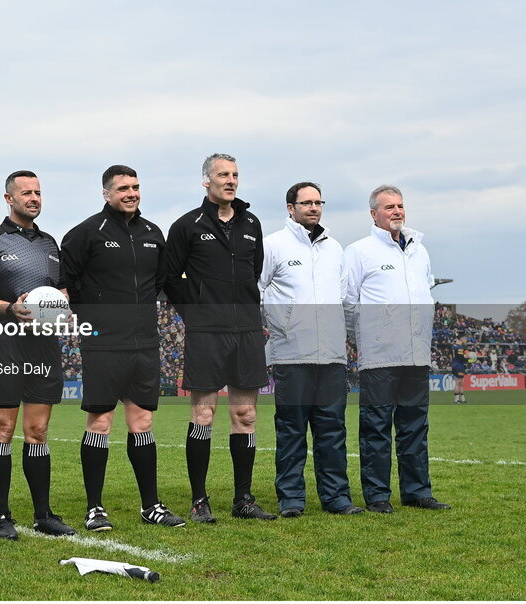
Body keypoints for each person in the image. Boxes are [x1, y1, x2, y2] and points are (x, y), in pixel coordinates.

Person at [60, 165, 185, 532]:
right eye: (123, 188)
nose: (131, 193)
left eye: (135, 187)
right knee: (100, 420)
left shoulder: (152, 233)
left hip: (144, 342)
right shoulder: (85, 233)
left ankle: (151, 505)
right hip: (102, 343)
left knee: (142, 421)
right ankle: (94, 508)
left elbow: (160, 281)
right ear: (106, 193)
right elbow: (68, 283)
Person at [163, 153, 276, 522]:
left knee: (245, 415)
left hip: (246, 331)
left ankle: (243, 499)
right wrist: (196, 315)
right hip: (207, 333)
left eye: (235, 175)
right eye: (223, 175)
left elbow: (254, 271)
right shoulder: (186, 226)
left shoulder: (251, 222)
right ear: (206, 181)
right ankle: (199, 501)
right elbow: (169, 279)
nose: (230, 180)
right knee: (204, 414)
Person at [0, 170, 76, 540]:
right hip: (4, 342)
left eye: (38, 193)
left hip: (44, 345)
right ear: (8, 198)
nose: (34, 198)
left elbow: (60, 292)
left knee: (38, 431)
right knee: (3, 429)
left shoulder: (49, 243)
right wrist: (9, 308)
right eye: (26, 193)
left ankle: (43, 513)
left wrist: (61, 308)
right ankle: (2, 515)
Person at [343, 185, 450, 513]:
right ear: (374, 214)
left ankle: (418, 491)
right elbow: (346, 303)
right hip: (380, 357)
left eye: (400, 206)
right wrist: (368, 337)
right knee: (376, 426)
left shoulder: (420, 250)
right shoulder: (359, 251)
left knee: (415, 424)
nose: (397, 211)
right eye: (389, 207)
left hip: (416, 354)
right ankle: (377, 495)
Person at [259, 182, 363, 517]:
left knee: (332, 430)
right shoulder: (273, 245)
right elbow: (255, 289)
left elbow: (347, 300)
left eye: (318, 202)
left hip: (331, 356)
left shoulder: (335, 248)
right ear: (291, 208)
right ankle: (291, 498)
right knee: (291, 429)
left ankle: (336, 498)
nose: (313, 207)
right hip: (293, 353)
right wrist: (280, 325)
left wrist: (344, 337)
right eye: (306, 203)